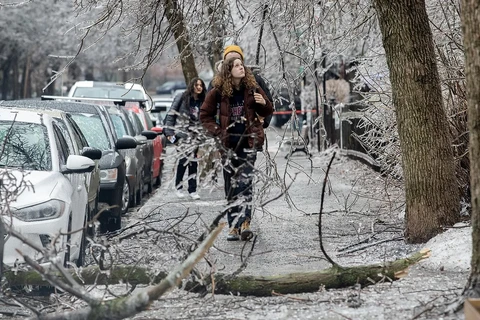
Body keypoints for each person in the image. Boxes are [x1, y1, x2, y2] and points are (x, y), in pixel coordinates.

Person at [200, 57, 273, 241]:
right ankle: (233, 225)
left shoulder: (253, 88)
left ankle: (245, 222)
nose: (242, 68)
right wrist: (217, 131)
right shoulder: (218, 91)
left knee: (245, 182)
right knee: (231, 185)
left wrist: (263, 104)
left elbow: (268, 110)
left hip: (249, 142)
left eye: (242, 65)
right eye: (237, 66)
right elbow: (204, 115)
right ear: (228, 70)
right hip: (228, 145)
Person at [164, 77, 206, 200]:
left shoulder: (203, 100)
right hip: (182, 134)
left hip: (196, 135)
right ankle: (179, 187)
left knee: (194, 162)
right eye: (196, 85)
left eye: (201, 85)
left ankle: (192, 189)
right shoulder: (181, 97)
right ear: (191, 86)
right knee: (183, 160)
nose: (199, 87)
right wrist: (169, 132)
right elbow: (171, 115)